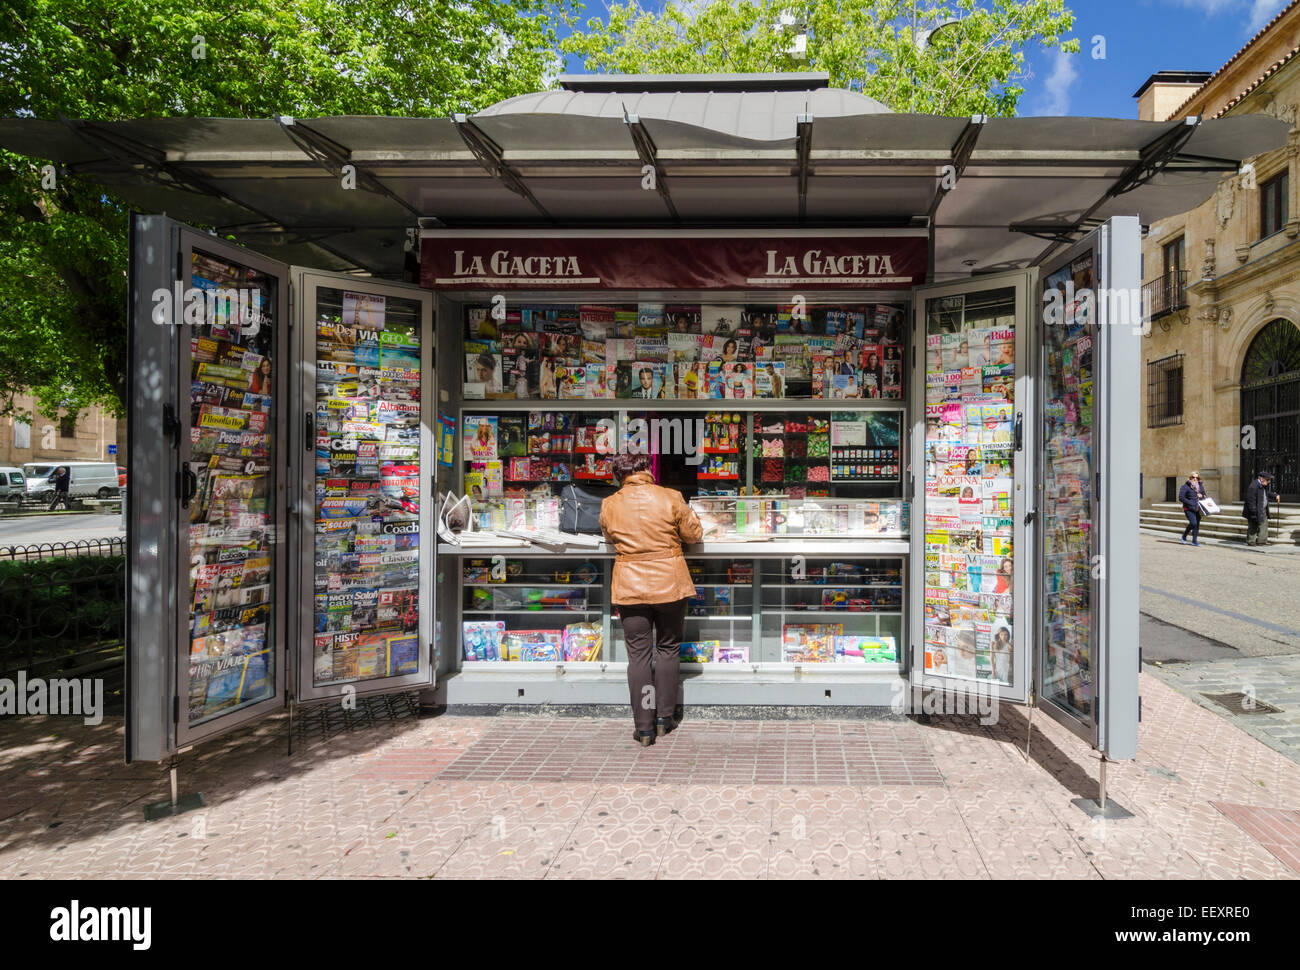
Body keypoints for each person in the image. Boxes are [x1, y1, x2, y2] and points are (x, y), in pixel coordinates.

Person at [599, 453, 704, 746]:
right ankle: (664, 719)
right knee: (668, 648)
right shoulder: (671, 497)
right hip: (670, 583)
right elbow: (693, 536)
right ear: (646, 469)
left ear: (620, 475)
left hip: (630, 586)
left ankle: (644, 727)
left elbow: (608, 535)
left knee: (639, 655)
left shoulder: (610, 504)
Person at [1243, 470, 1279, 546]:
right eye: (1268, 479)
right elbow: (1250, 501)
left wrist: (1275, 496)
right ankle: (1251, 541)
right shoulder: (1253, 486)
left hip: (1262, 509)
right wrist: (1254, 512)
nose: (1269, 481)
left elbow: (1266, 493)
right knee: (1253, 525)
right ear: (1261, 478)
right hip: (1255, 510)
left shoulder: (1263, 485)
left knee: (1264, 524)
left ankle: (1262, 541)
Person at [1179, 471, 1207, 545]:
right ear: (1190, 478)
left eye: (1197, 478)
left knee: (1197, 525)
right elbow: (1181, 498)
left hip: (1198, 508)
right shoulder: (1185, 486)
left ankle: (1194, 541)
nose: (1195, 479)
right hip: (1188, 508)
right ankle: (1184, 536)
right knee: (1193, 523)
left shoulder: (1200, 486)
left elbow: (1204, 495)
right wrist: (1191, 503)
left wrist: (1202, 496)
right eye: (1193, 477)